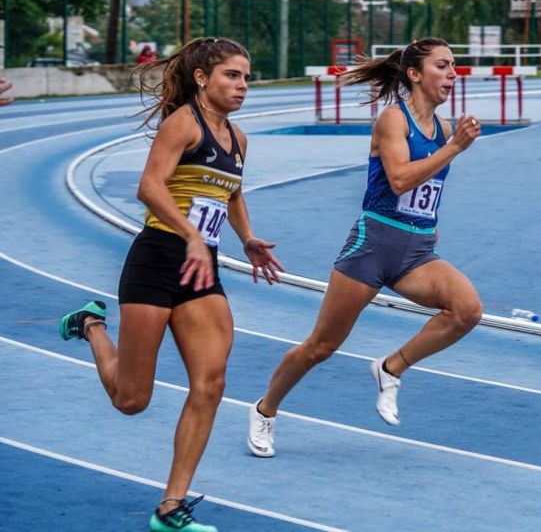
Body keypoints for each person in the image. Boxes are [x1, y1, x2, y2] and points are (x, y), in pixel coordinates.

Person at [59, 37, 284, 532]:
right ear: (203, 78)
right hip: (159, 260)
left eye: (247, 76)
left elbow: (232, 190)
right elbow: (149, 187)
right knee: (131, 399)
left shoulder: (238, 137)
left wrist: (245, 237)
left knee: (211, 382)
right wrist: (191, 236)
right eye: (231, 75)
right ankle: (91, 324)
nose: (242, 85)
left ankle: (171, 506)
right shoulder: (183, 123)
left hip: (203, 269)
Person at [247, 37, 483, 458]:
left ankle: (391, 367)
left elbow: (427, 189)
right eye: (443, 66)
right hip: (372, 246)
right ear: (415, 74)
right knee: (320, 347)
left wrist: (431, 225)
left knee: (467, 310)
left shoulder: (445, 128)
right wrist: (454, 149)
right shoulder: (394, 120)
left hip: (417, 253)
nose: (452, 74)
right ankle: (266, 409)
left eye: (454, 66)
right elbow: (399, 181)